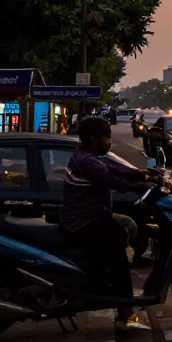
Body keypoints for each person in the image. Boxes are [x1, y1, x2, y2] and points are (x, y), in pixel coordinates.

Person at [62, 117, 155, 330]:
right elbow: (113, 181)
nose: (110, 142)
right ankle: (126, 313)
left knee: (127, 225)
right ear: (94, 139)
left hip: (93, 216)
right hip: (84, 221)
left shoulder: (87, 155)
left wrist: (142, 173)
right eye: (107, 137)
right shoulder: (88, 161)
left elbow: (114, 167)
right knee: (118, 252)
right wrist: (145, 184)